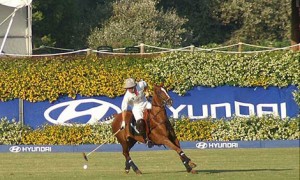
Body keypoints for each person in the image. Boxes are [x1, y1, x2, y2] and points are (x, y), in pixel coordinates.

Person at [121, 78, 153, 147]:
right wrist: (123, 121)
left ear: (135, 85)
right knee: (140, 122)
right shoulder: (127, 97)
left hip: (144, 102)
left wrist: (147, 92)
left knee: (155, 112)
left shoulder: (140, 85)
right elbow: (124, 110)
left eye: (132, 87)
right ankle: (146, 139)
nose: (130, 89)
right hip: (136, 107)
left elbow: (145, 84)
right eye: (128, 88)